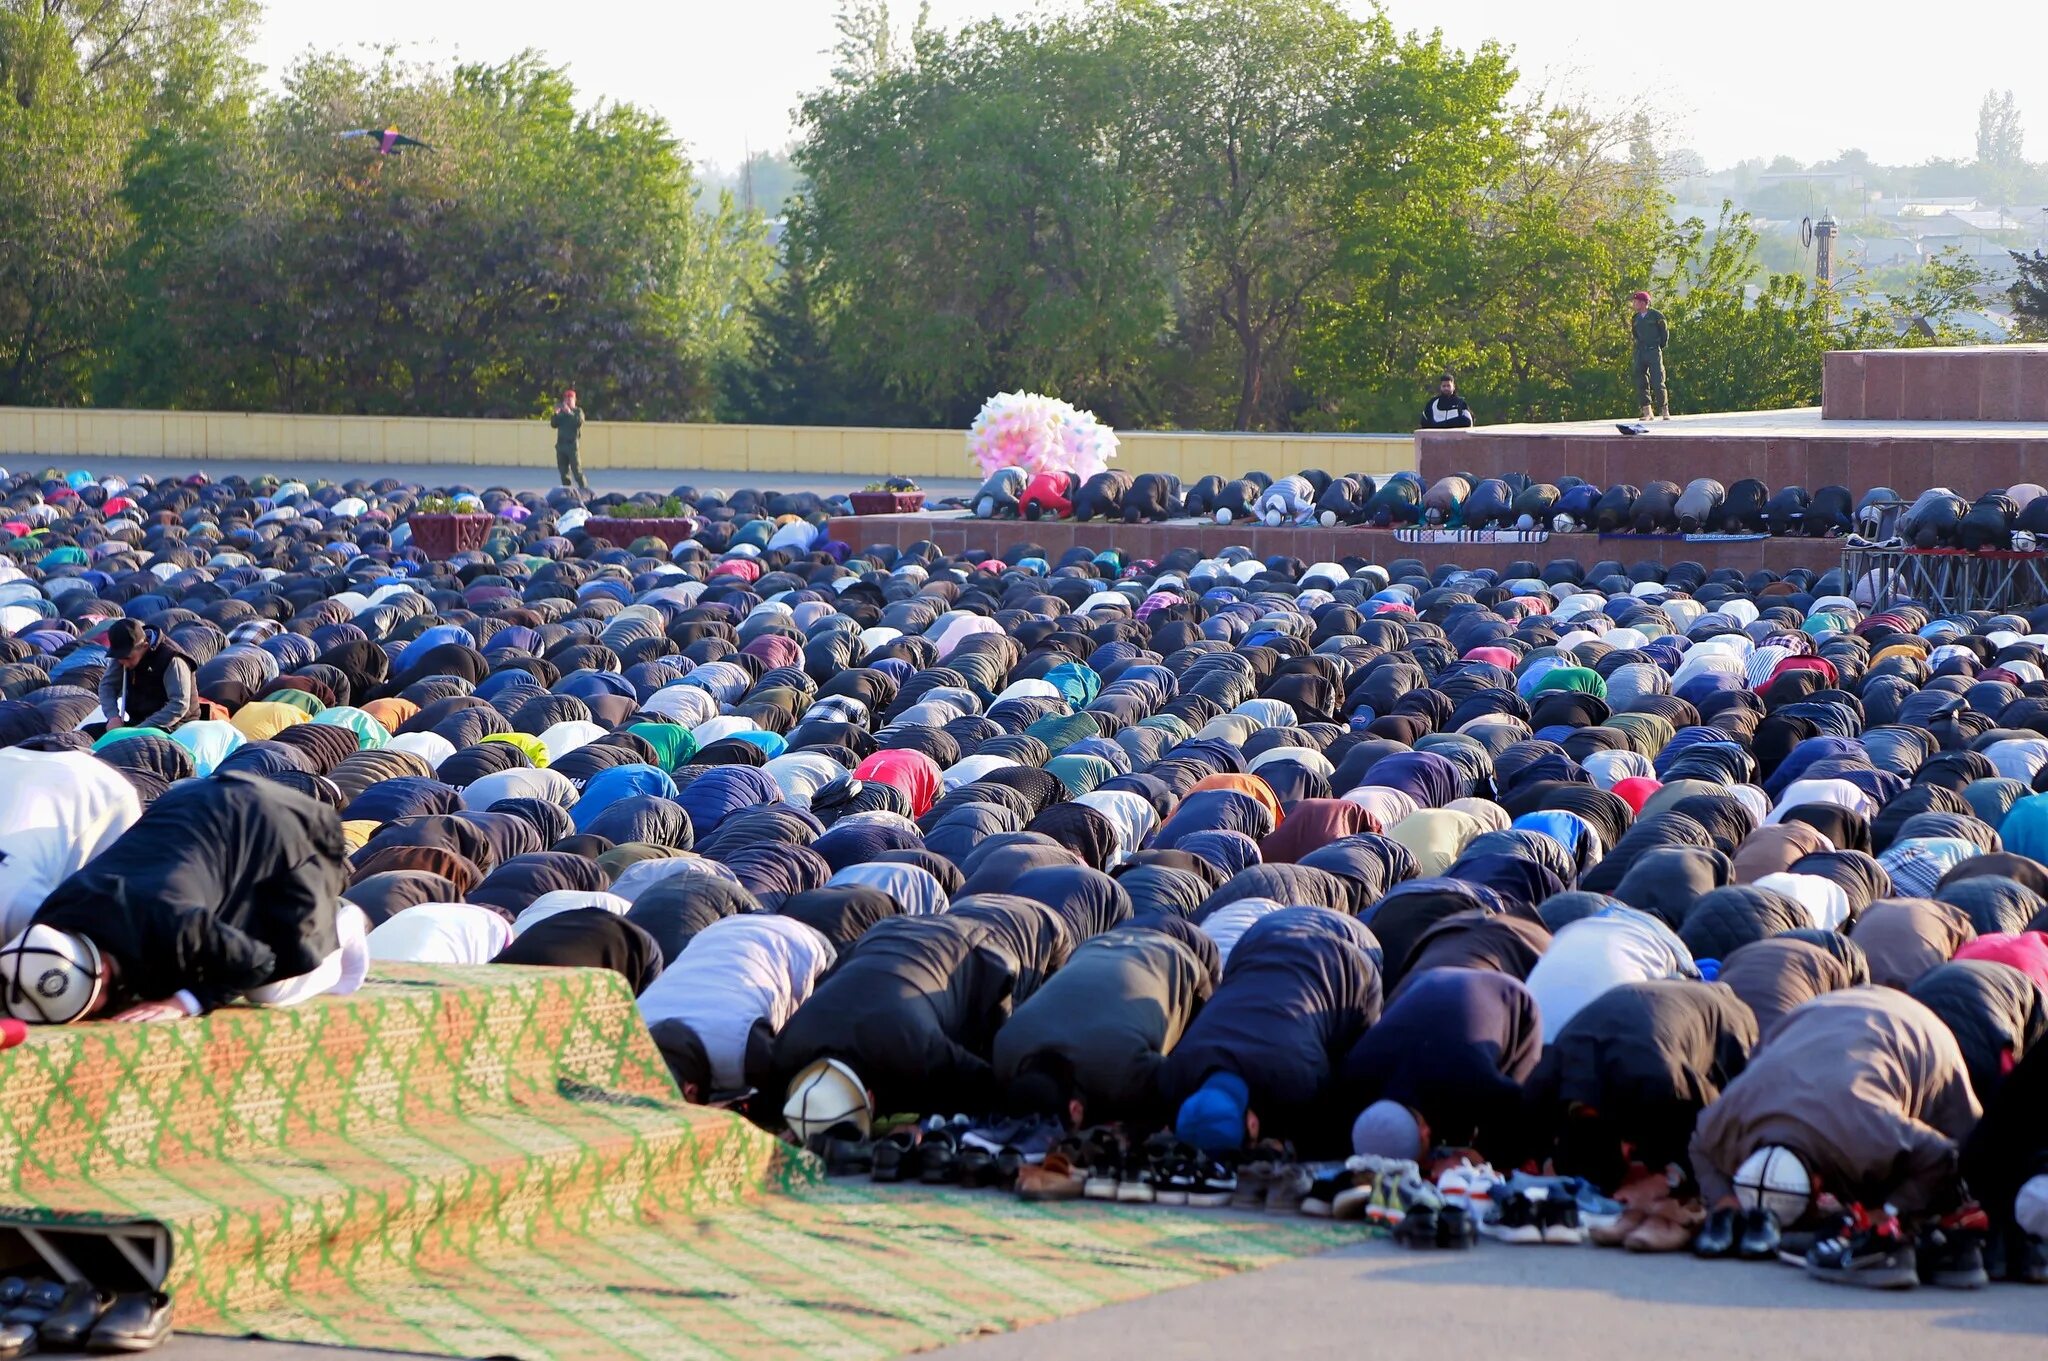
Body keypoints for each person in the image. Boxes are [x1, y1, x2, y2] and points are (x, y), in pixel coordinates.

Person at [1688, 987, 1983, 1286]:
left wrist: (1890, 1211)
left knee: (1975, 1166)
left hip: (1920, 1031)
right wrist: (1726, 1202)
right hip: (1816, 1014)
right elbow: (1699, 1144)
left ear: (1817, 1184)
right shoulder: (1729, 1115)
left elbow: (1943, 1154)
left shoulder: (1868, 1129)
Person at [0, 774, 350, 1022]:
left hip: (274, 822)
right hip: (189, 807)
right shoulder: (49, 920)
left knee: (276, 981)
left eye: (90, 1004)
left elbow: (255, 961)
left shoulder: (171, 921)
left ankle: (343, 924)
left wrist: (185, 1002)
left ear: (103, 971)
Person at [1159, 907, 1382, 1158]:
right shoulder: (1178, 1069)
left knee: (1358, 1070)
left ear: (1253, 1124)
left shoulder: (1297, 1076)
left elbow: (1325, 1129)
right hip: (1263, 934)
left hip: (1352, 951)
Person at [992, 923, 1215, 1129]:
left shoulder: (1123, 1072)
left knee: (1201, 1046)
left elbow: (1184, 1076)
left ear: (1075, 1109)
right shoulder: (1005, 1049)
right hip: (1093, 947)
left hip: (1178, 957)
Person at [1339, 968, 1542, 1167]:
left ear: (1424, 1132)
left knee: (1501, 1143)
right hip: (1428, 979)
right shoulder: (1354, 1074)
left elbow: (1521, 1111)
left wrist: (1483, 1157)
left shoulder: (1474, 1081)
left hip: (1510, 997)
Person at [638, 912, 836, 1103]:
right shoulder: (631, 1027)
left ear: (691, 1090)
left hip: (799, 942)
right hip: (717, 933)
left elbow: (791, 1095)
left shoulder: (742, 1048)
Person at [96, 618, 197, 733]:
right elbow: (107, 685)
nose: (123, 663)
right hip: (138, 722)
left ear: (144, 646)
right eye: (119, 658)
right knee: (90, 732)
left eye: (127, 658)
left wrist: (139, 730)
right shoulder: (123, 655)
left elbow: (179, 704)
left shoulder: (172, 659)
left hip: (173, 726)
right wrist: (113, 717)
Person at [1629, 290, 1671, 420]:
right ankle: (1647, 412)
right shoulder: (1635, 318)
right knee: (1641, 381)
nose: (1634, 304)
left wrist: (1659, 347)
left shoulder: (1656, 316)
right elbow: (1635, 334)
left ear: (1643, 303)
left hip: (1653, 351)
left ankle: (1664, 410)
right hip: (1641, 351)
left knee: (1658, 381)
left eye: (1636, 301)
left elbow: (1664, 333)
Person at [550, 388, 589, 492]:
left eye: (570, 398)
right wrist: (556, 414)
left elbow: (579, 422)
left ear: (574, 400)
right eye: (566, 398)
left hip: (572, 445)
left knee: (577, 471)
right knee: (563, 472)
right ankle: (567, 491)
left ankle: (585, 490)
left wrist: (569, 412)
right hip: (561, 445)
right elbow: (553, 424)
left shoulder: (578, 411)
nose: (568, 401)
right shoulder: (561, 413)